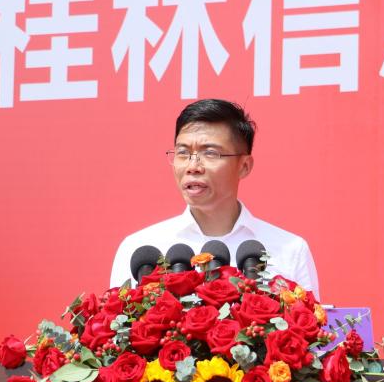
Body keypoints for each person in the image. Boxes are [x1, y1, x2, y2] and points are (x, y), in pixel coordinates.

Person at [109, 99, 319, 295]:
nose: (193, 166)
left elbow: (311, 321)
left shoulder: (289, 250)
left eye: (210, 153)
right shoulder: (139, 247)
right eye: (183, 153)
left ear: (244, 166)